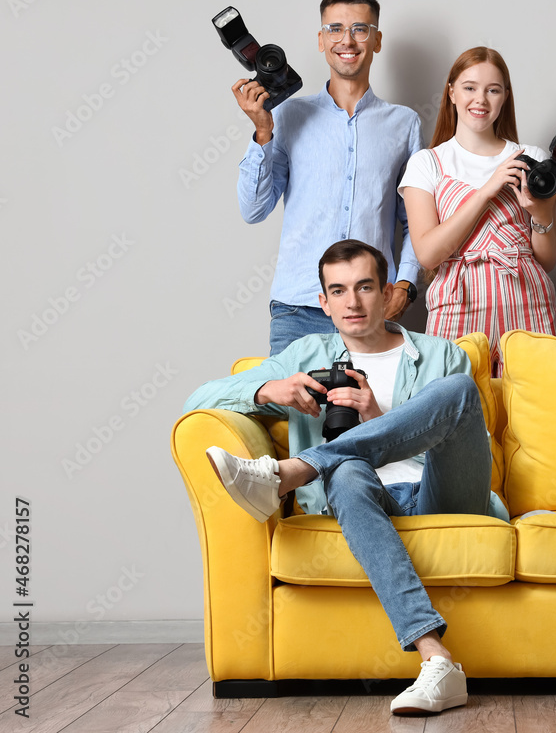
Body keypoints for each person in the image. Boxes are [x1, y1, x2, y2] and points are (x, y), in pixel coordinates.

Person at [184, 239, 506, 716]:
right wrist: (271, 387)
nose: (352, 302)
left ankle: (295, 471)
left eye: (364, 287)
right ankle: (436, 659)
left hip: (440, 492)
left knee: (456, 390)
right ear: (324, 303)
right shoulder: (307, 352)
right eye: (338, 291)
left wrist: (377, 417)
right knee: (349, 470)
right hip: (358, 497)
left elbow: (473, 448)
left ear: (388, 293)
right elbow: (199, 399)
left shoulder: (440, 354)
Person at [233, 0, 423, 355]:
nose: (346, 40)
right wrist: (261, 131)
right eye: (335, 29)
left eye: (360, 29)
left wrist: (405, 285)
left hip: (371, 310)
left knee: (370, 413)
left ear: (377, 40)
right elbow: (253, 211)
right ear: (321, 40)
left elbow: (414, 220)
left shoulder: (405, 124)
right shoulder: (287, 115)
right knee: (296, 414)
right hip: (299, 308)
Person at [399, 47, 556, 375]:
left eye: (493, 90)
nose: (481, 100)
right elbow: (428, 254)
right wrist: (488, 188)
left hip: (527, 298)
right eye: (470, 87)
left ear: (505, 97)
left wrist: (541, 216)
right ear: (452, 93)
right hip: (458, 302)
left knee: (538, 412)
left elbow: (547, 260)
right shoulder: (427, 163)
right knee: (454, 409)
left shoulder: (530, 156)